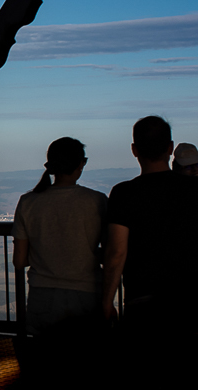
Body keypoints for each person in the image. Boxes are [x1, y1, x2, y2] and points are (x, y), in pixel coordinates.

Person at [102, 116, 198, 328]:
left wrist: (106, 301)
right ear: (170, 148)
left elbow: (117, 252)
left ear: (134, 150)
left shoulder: (124, 194)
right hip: (191, 300)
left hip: (143, 302)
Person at [11, 138, 107, 335]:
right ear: (81, 164)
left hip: (42, 296)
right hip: (86, 295)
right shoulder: (96, 201)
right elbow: (109, 250)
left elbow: (19, 261)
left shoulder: (28, 202)